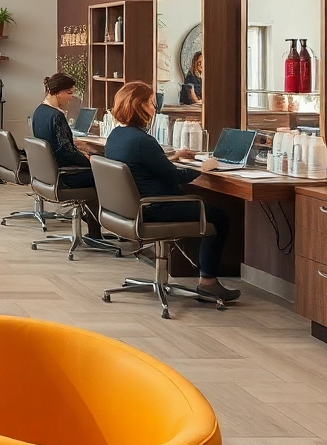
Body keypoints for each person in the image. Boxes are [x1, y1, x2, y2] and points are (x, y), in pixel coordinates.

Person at [103, 81, 240, 303]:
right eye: (150, 103)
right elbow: (175, 177)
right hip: (157, 207)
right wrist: (202, 169)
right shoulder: (142, 141)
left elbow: (143, 164)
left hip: (132, 209)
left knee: (206, 207)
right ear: (139, 107)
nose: (154, 108)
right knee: (220, 217)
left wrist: (174, 157)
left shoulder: (116, 136)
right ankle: (208, 283)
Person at [31, 73, 100, 236]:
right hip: (67, 173)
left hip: (50, 174)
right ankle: (96, 230)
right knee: (104, 175)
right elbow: (65, 150)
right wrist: (88, 160)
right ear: (57, 92)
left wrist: (80, 147)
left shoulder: (39, 111)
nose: (71, 97)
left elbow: (59, 143)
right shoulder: (57, 116)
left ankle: (93, 223)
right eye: (69, 93)